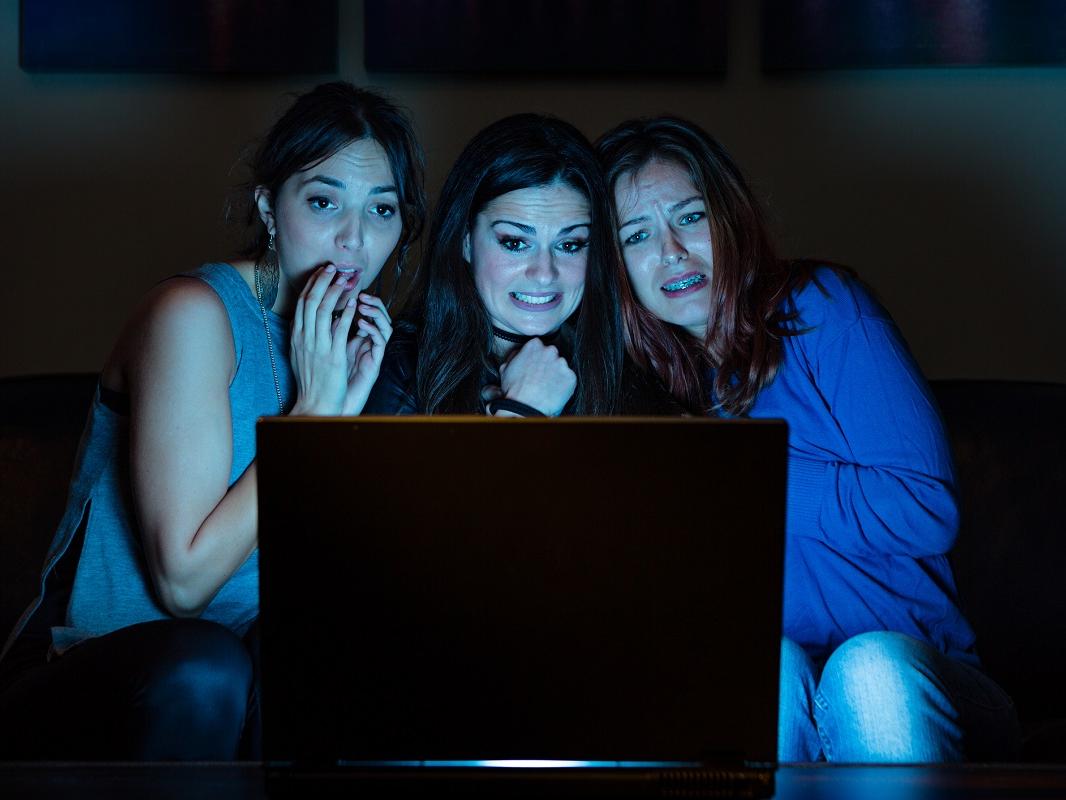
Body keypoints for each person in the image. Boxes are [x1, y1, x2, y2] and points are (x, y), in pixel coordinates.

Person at [0, 82, 426, 760]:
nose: (354, 240)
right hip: (92, 666)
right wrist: (310, 418)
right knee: (209, 668)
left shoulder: (363, 350)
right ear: (268, 206)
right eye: (323, 202)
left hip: (247, 674)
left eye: (382, 210)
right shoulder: (193, 315)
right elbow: (184, 584)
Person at [596, 116, 1020, 762]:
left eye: (689, 217)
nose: (672, 252)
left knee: (865, 669)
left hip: (922, 681)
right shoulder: (640, 397)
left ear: (728, 218)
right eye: (637, 236)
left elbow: (926, 509)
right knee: (765, 670)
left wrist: (743, 472)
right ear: (616, 266)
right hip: (782, 688)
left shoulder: (821, 308)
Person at [364, 113, 624, 417]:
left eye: (570, 245)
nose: (544, 273)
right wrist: (520, 412)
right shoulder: (398, 366)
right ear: (465, 240)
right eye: (514, 242)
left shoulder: (625, 363)